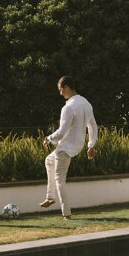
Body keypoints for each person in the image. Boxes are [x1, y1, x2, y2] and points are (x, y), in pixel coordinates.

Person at [39, 76, 97, 220]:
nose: (60, 93)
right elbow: (93, 126)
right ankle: (50, 197)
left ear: (66, 87)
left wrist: (48, 138)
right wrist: (91, 145)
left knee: (59, 179)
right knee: (48, 160)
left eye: (60, 90)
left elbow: (61, 132)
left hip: (65, 147)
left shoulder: (68, 107)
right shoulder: (87, 103)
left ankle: (67, 214)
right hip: (76, 146)